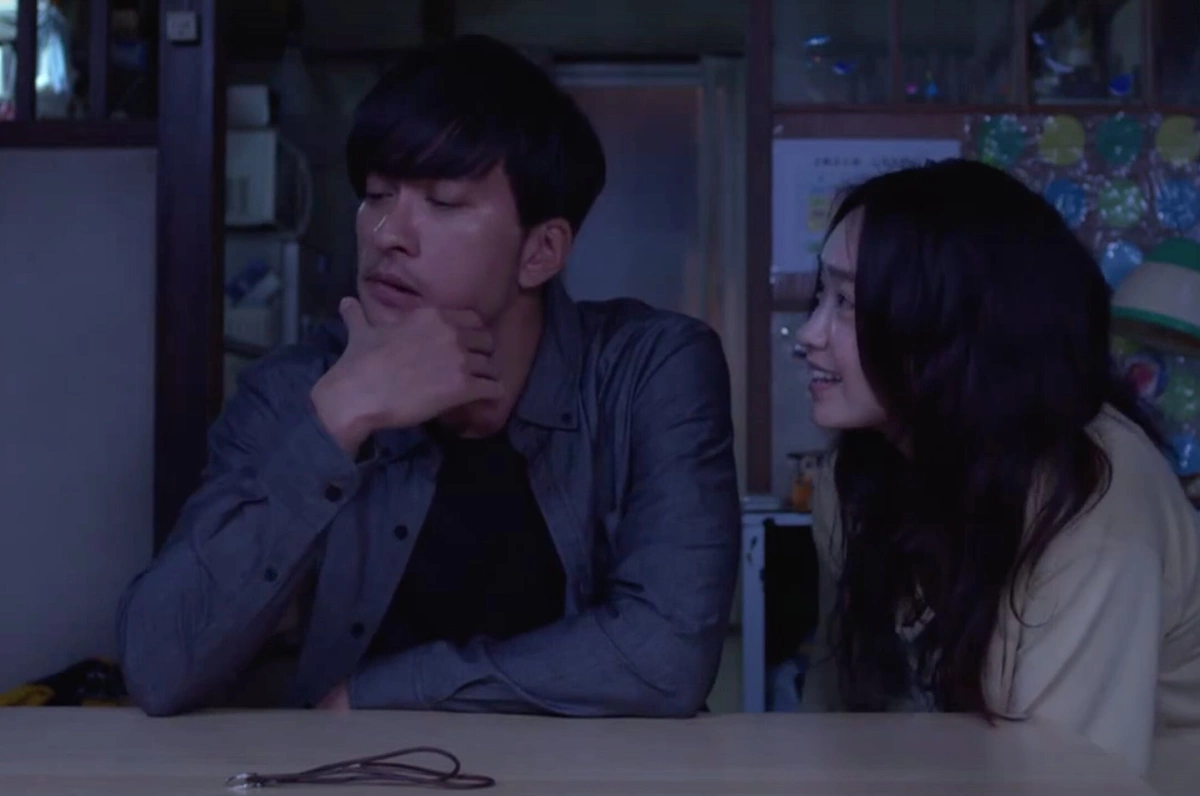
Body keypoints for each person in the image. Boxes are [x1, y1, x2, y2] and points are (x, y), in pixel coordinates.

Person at [117, 34, 740, 718]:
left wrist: (389, 691)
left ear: (540, 251)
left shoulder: (650, 371)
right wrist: (337, 421)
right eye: (377, 195)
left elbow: (666, 655)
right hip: (349, 770)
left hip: (580, 772)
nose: (388, 233)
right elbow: (158, 668)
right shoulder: (301, 388)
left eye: (443, 202)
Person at [795, 158, 1200, 790]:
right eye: (821, 295)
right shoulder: (853, 479)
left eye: (846, 301)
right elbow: (838, 706)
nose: (808, 334)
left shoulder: (1092, 497)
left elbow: (1070, 778)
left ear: (949, 322)